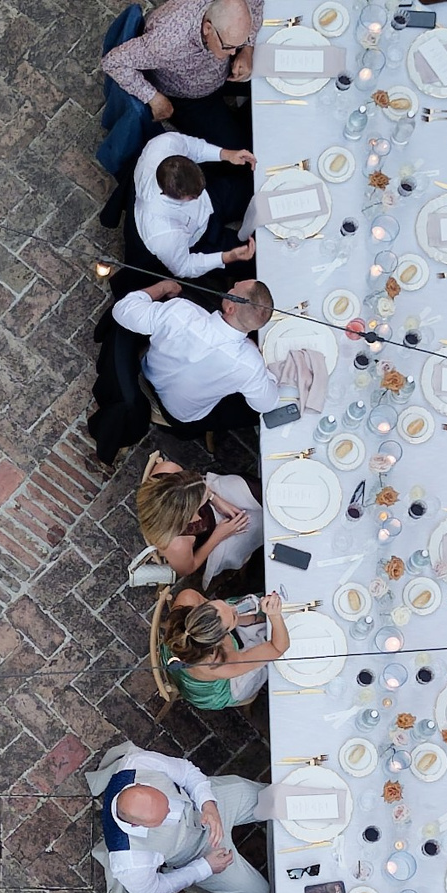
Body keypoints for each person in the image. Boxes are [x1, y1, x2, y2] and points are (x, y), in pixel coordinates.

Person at [95, 0, 267, 210]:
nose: (231, 52)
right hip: (191, 97)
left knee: (279, 81)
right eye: (229, 46)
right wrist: (153, 97)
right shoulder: (167, 43)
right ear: (208, 29)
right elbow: (114, 62)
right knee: (239, 160)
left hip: (220, 74)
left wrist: (247, 49)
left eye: (237, 44)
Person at [110, 277, 331, 435]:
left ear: (231, 308)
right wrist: (264, 371)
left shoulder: (180, 312)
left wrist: (161, 286)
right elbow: (266, 403)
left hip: (149, 372)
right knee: (249, 411)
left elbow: (123, 310)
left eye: (233, 289)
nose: (231, 287)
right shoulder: (249, 364)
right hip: (179, 412)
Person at [87, 741, 271, 893]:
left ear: (142, 785)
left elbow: (186, 771)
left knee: (273, 798)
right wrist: (204, 868)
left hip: (208, 803)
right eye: (162, 818)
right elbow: (152, 891)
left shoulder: (139, 764)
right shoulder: (130, 859)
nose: (170, 810)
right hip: (196, 853)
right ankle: (197, 883)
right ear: (136, 825)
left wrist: (208, 804)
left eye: (165, 802)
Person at [131, 136, 254, 281]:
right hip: (200, 238)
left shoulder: (164, 144)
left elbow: (192, 147)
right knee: (254, 259)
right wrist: (228, 257)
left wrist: (226, 154)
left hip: (211, 197)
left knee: (256, 192)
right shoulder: (163, 232)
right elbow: (184, 267)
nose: (196, 197)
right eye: (193, 197)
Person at [131, 460, 262, 590]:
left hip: (211, 506)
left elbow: (203, 487)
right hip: (209, 538)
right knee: (254, 525)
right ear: (187, 514)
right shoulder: (177, 544)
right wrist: (219, 535)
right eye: (202, 500)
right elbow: (188, 569)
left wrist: (214, 498)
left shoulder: (168, 469)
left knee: (245, 489)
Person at [158, 585, 289, 712]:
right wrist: (274, 616)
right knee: (264, 655)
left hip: (176, 653)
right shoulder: (220, 664)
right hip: (213, 691)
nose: (233, 608)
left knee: (246, 616)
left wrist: (249, 619)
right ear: (219, 640)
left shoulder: (188, 598)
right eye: (233, 617)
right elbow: (278, 648)